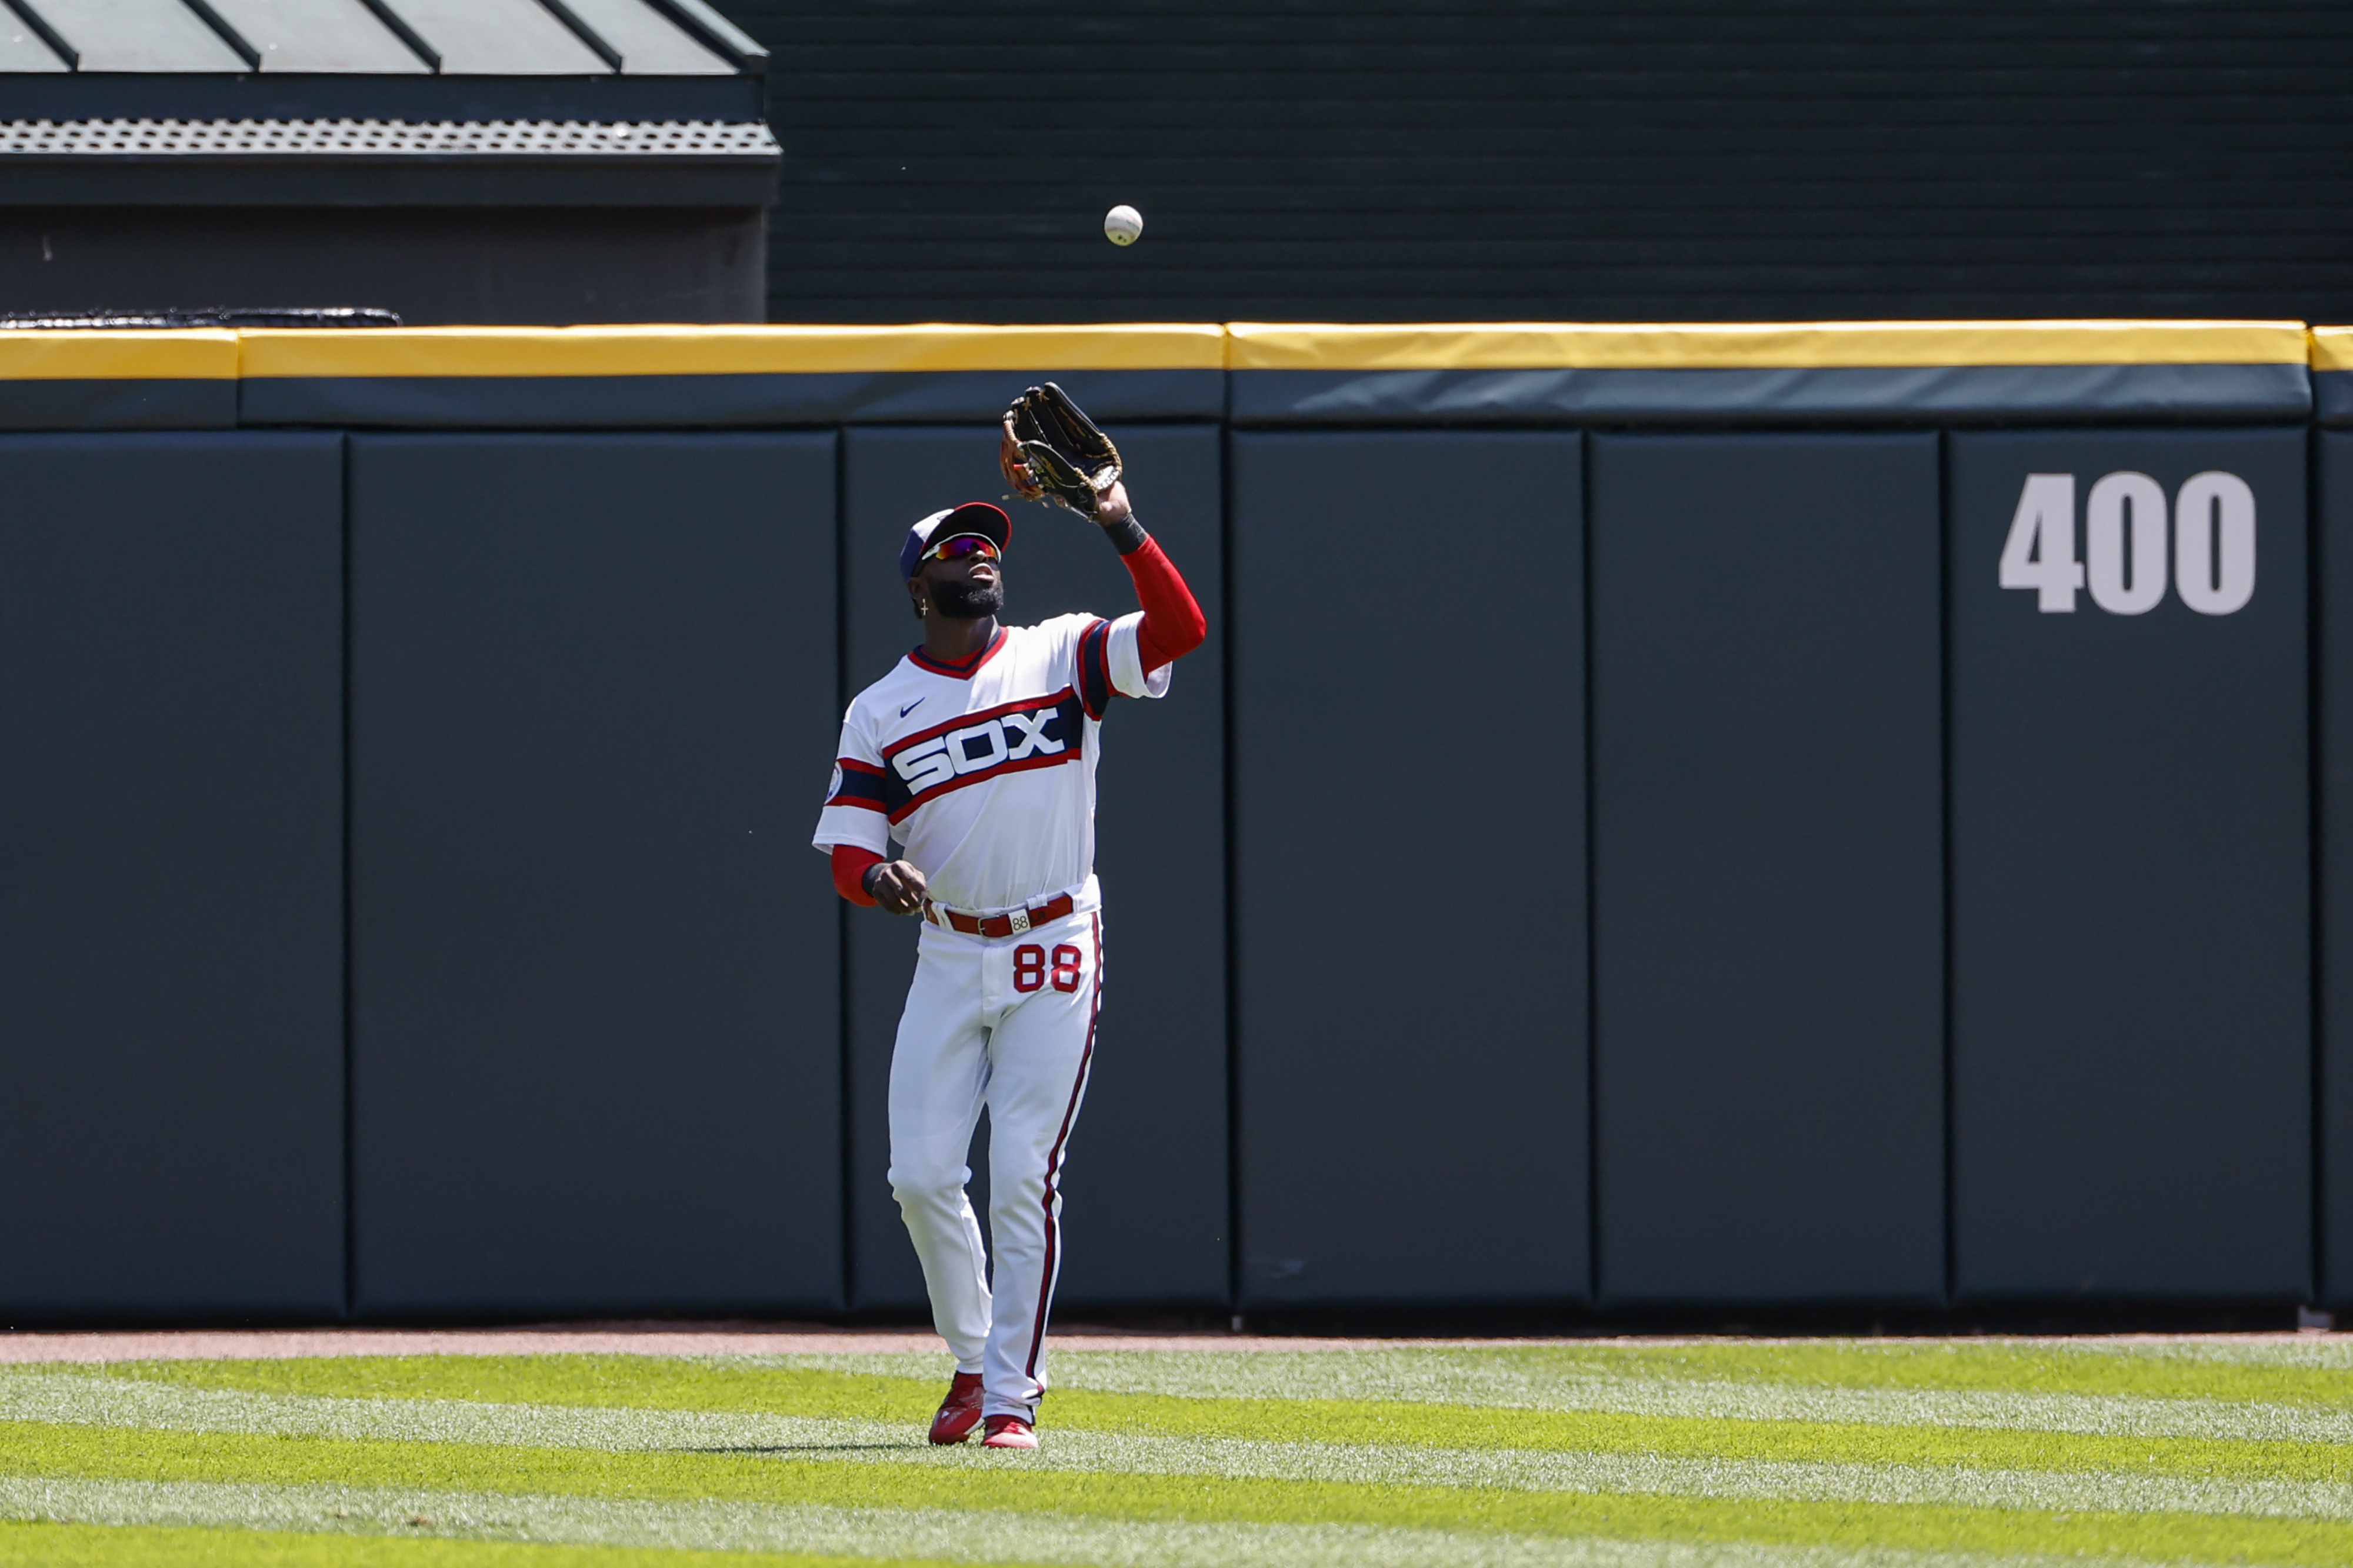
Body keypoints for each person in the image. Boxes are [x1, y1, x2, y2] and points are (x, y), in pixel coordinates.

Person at [811, 475, 1205, 1450]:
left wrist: (1119, 520)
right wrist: (878, 881)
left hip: (1054, 940)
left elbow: (1181, 628)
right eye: (957, 550)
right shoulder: (882, 710)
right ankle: (975, 1356)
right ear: (919, 586)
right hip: (950, 948)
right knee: (919, 1175)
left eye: (989, 546)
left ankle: (1009, 1398)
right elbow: (851, 853)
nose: (980, 556)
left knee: (1024, 1172)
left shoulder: (1060, 652)